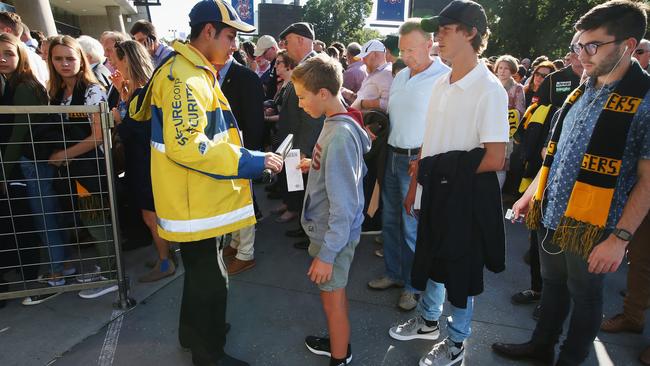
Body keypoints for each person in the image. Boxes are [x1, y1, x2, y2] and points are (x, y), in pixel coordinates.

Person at [492, 2, 650, 365]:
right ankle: (541, 346)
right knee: (552, 286)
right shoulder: (582, 86)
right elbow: (557, 149)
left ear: (626, 45)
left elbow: (647, 181)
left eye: (592, 46)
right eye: (580, 45)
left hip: (594, 226)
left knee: (586, 296)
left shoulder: (645, 100)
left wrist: (619, 238)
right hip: (552, 211)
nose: (582, 54)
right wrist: (532, 193)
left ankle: (570, 358)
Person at [128, 1, 282, 364]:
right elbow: (190, 147)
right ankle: (208, 354)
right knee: (211, 279)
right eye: (230, 36)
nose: (234, 45)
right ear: (208, 31)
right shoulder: (185, 75)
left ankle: (193, 333)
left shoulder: (188, 69)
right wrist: (254, 161)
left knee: (201, 274)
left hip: (193, 197)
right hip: (192, 200)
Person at [391, 3, 508, 366]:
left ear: (470, 32)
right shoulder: (442, 81)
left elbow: (495, 158)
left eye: (445, 29)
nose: (437, 35)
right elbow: (432, 139)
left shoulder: (490, 89)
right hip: (434, 192)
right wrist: (416, 185)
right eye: (436, 29)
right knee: (432, 259)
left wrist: (438, 174)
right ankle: (428, 322)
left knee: (461, 272)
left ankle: (457, 342)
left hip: (462, 199)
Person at [366, 18, 450, 312]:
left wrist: (425, 160)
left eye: (411, 49)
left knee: (411, 225)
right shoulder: (400, 75)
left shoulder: (445, 77)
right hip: (391, 155)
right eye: (402, 50)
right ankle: (394, 273)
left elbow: (446, 126)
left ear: (430, 45)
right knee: (389, 221)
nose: (405, 55)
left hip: (419, 160)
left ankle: (414, 287)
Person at [292, 54, 370, 366]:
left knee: (333, 300)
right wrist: (315, 165)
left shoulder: (338, 135)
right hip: (328, 233)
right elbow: (340, 172)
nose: (299, 104)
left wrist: (327, 254)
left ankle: (340, 356)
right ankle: (338, 344)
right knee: (329, 295)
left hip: (332, 238)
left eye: (301, 97)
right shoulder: (337, 123)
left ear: (322, 94)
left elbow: (345, 205)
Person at [45, 35, 116, 299]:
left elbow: (99, 136)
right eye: (59, 58)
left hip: (91, 169)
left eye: (70, 58)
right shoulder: (55, 92)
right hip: (72, 170)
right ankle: (108, 267)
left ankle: (110, 273)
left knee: (96, 219)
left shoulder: (92, 90)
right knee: (89, 219)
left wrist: (65, 154)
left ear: (81, 60)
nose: (65, 64)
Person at [110, 40, 175, 283]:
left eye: (115, 59)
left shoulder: (145, 93)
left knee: (151, 217)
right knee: (153, 216)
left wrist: (118, 120)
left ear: (127, 60)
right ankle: (164, 256)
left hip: (146, 166)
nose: (112, 64)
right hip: (145, 165)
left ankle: (165, 261)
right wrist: (122, 94)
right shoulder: (142, 91)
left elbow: (137, 131)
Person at [0, 33, 55, 306]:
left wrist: (2, 172)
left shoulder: (22, 85)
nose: (2, 58)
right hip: (26, 161)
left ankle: (54, 273)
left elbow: (18, 135)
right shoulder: (11, 83)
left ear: (20, 54)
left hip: (31, 161)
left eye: (8, 53)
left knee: (42, 216)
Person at [217, 40, 266, 275]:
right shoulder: (210, 76)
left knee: (243, 201)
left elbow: (256, 121)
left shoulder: (246, 77)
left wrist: (253, 157)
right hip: (223, 151)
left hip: (242, 151)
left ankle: (246, 253)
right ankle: (237, 243)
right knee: (232, 199)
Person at [274, 22, 324, 250]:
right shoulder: (306, 65)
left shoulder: (313, 67)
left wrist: (304, 147)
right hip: (296, 140)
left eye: (288, 41)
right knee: (302, 189)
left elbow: (314, 114)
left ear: (302, 40)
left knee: (309, 190)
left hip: (305, 142)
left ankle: (312, 234)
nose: (284, 45)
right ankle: (306, 227)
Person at [0, 12, 48, 86]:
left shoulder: (23, 56)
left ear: (7, 31)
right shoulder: (37, 58)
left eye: (9, 54)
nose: (2, 59)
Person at [350, 39, 393, 113]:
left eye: (364, 57)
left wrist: (363, 103)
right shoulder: (376, 72)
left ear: (375, 54)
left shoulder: (386, 73)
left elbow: (389, 104)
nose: (362, 61)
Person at [253, 35, 279, 99]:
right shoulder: (273, 63)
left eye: (264, 53)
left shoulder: (282, 62)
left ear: (273, 48)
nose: (263, 56)